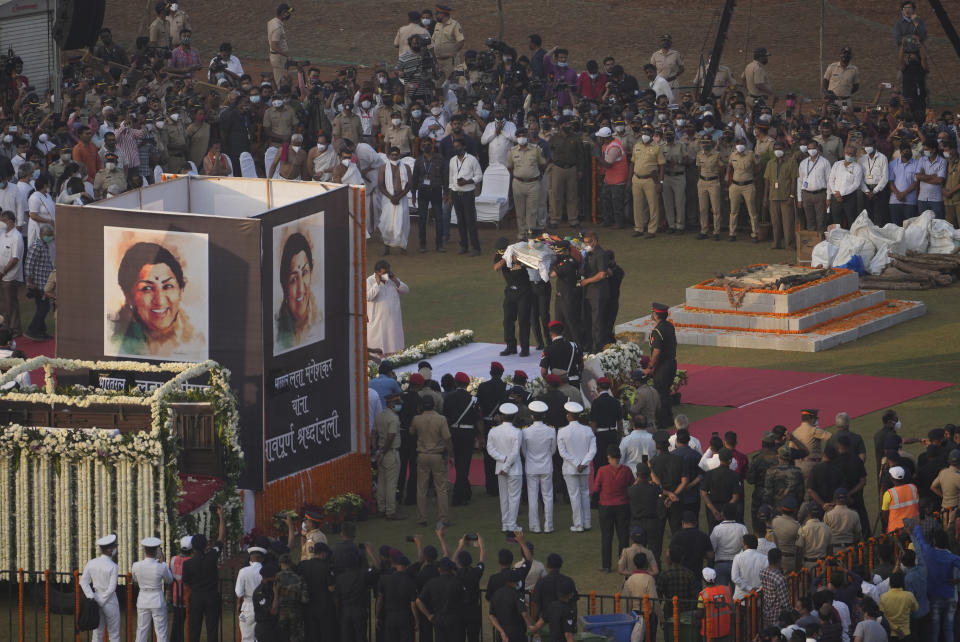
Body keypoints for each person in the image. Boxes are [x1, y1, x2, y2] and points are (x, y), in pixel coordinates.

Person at [108, 242, 205, 359]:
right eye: (147, 288)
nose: (160, 301)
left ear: (180, 290)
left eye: (168, 286)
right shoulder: (114, 341)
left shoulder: (197, 339)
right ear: (128, 296)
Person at [182, 511, 225, 642]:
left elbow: (186, 582)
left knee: (194, 629)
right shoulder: (212, 556)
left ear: (192, 547)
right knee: (212, 629)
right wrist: (221, 517)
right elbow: (221, 538)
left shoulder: (188, 563)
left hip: (196, 597)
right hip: (212, 596)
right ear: (207, 545)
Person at [410, 394, 452, 526]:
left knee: (421, 488)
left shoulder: (417, 419)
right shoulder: (441, 419)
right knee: (441, 488)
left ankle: (422, 518)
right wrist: (450, 453)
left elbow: (411, 432)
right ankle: (443, 518)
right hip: (437, 455)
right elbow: (447, 438)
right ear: (434, 405)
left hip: (422, 454)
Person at [275, 231, 321, 351]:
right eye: (294, 279)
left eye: (304, 273)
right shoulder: (278, 333)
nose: (301, 289)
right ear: (284, 285)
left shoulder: (321, 318)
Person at [592, 445, 634, 572]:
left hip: (606, 506)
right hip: (622, 505)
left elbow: (595, 488)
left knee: (606, 537)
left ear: (609, 457)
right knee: (623, 536)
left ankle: (606, 565)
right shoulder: (626, 470)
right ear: (619, 457)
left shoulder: (602, 470)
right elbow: (631, 484)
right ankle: (623, 563)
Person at [557, 401, 596, 532]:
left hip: (570, 468)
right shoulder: (587, 430)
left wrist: (576, 463)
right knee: (585, 494)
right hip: (583, 468)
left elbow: (562, 452)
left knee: (574, 495)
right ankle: (587, 523)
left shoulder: (562, 431)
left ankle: (578, 524)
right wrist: (583, 463)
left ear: (568, 415)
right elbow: (592, 450)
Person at [444, 371, 481, 505]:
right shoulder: (472, 399)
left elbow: (445, 417)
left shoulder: (448, 397)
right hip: (467, 434)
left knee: (459, 464)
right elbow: (478, 420)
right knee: (463, 465)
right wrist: (480, 437)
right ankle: (458, 497)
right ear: (467, 384)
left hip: (453, 432)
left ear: (455, 383)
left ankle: (466, 492)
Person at [487, 402, 524, 533]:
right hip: (513, 468)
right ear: (514, 417)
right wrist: (507, 464)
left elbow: (490, 449)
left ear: (501, 416)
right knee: (514, 497)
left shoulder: (493, 431)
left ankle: (505, 524)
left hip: (501, 467)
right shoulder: (517, 432)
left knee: (504, 497)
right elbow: (515, 452)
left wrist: (503, 461)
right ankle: (511, 524)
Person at [494, 237, 532, 357]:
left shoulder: (518, 252)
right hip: (510, 291)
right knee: (508, 320)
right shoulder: (500, 255)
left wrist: (519, 261)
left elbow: (532, 265)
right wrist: (505, 258)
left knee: (523, 320)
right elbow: (496, 268)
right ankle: (511, 346)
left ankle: (525, 348)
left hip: (524, 291)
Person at [523, 400, 556, 533]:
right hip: (546, 465)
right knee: (548, 496)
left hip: (531, 466)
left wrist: (531, 458)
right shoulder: (551, 431)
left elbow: (524, 451)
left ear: (532, 416)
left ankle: (535, 526)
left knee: (532, 496)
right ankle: (548, 525)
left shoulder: (526, 432)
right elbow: (553, 450)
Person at [507, 128, 547, 239]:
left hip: (533, 183)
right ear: (516, 138)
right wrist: (519, 175)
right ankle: (521, 233)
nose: (521, 137)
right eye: (519, 135)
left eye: (523, 135)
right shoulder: (512, 151)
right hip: (518, 183)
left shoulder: (536, 149)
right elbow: (510, 167)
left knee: (532, 211)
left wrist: (537, 174)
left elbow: (542, 163)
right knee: (520, 211)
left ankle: (531, 234)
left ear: (527, 136)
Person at [80, 534, 120, 642]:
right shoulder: (113, 566)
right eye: (113, 547)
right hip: (110, 601)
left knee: (97, 634)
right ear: (109, 549)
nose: (114, 549)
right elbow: (111, 589)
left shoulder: (91, 563)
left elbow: (83, 581)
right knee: (114, 634)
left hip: (96, 598)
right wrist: (102, 601)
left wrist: (91, 596)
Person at [644, 303, 677, 430]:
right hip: (672, 363)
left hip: (663, 366)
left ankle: (662, 421)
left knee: (660, 394)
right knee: (666, 392)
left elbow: (657, 351)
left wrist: (650, 367)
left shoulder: (657, 331)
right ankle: (669, 418)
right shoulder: (669, 326)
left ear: (656, 315)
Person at [366, 260, 409, 354]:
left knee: (395, 350)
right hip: (378, 323)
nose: (386, 275)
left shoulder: (391, 280)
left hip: (393, 322)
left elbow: (406, 290)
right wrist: (376, 284)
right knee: (378, 351)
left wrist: (396, 281)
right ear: (377, 272)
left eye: (388, 272)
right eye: (384, 273)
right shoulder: (369, 281)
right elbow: (367, 297)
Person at [448, 136, 482, 255]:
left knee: (470, 221)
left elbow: (479, 176)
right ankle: (464, 246)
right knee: (460, 221)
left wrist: (467, 181)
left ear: (464, 147)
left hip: (468, 193)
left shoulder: (472, 159)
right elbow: (451, 179)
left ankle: (476, 248)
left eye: (458, 147)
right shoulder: (452, 160)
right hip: (456, 193)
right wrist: (450, 195)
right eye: (454, 147)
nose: (456, 149)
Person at [412, 139, 447, 253]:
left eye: (428, 144)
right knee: (422, 219)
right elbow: (415, 178)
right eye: (424, 144)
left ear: (432, 145)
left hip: (436, 190)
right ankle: (422, 244)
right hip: (423, 191)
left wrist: (446, 192)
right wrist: (413, 194)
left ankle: (439, 244)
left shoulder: (440, 158)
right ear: (421, 147)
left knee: (438, 218)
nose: (426, 146)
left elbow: (445, 177)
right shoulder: (418, 161)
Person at [373, 393, 404, 520]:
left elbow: (373, 434)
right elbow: (391, 436)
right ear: (392, 403)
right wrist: (384, 450)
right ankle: (390, 511)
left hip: (381, 452)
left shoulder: (379, 416)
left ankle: (381, 509)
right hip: (390, 452)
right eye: (397, 403)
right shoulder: (393, 418)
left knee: (381, 483)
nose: (399, 405)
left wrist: (377, 450)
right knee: (391, 484)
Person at [578, 230, 609, 353]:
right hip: (590, 292)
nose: (586, 245)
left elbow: (602, 274)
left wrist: (587, 281)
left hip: (598, 293)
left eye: (587, 243)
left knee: (597, 322)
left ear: (594, 241)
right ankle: (590, 345)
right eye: (584, 243)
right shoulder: (589, 254)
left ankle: (597, 348)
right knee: (588, 320)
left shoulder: (600, 254)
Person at [763, 140, 798, 249]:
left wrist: (792, 196)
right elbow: (767, 181)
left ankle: (789, 244)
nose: (778, 151)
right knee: (775, 222)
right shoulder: (770, 163)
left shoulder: (791, 162)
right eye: (776, 149)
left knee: (788, 223)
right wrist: (765, 197)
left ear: (784, 150)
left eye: (780, 149)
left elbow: (794, 180)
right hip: (773, 196)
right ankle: (776, 243)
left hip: (786, 196)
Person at [702, 448, 742, 530]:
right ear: (730, 460)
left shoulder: (709, 474)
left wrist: (713, 510)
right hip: (729, 511)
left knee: (713, 535)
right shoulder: (734, 475)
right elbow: (735, 497)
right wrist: (724, 511)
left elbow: (704, 493)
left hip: (713, 509)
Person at [235, 546, 267, 642]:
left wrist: (238, 606)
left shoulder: (243, 571)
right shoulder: (265, 571)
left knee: (247, 637)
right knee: (261, 637)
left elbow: (239, 593)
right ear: (262, 559)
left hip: (248, 606)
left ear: (250, 558)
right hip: (263, 605)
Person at [879, 571, 918, 640]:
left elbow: (883, 617)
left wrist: (896, 629)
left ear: (890, 583)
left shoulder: (883, 597)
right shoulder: (909, 595)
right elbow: (915, 608)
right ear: (903, 583)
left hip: (890, 632)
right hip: (905, 632)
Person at [888, 142, 919, 225]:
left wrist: (903, 194)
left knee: (909, 228)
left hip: (910, 202)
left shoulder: (917, 164)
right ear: (901, 152)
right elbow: (891, 182)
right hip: (895, 201)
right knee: (896, 227)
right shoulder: (892, 164)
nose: (908, 153)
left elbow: (916, 182)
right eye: (906, 151)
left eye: (909, 152)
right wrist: (898, 194)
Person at [697, 567, 733, 640]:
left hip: (710, 632)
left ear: (704, 580)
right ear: (716, 577)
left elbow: (700, 614)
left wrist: (695, 615)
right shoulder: (727, 589)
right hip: (725, 630)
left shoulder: (703, 594)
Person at [882, 466, 919, 532]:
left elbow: (885, 514)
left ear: (891, 478)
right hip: (915, 526)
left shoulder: (888, 493)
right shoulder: (913, 487)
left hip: (896, 530)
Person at [252, 564, 281, 642]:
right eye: (275, 576)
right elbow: (273, 611)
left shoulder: (273, 587)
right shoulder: (260, 592)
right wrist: (276, 594)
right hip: (265, 628)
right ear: (269, 577)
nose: (277, 578)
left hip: (275, 626)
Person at [267, 4, 293, 85]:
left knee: (282, 77)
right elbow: (274, 46)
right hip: (279, 58)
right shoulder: (277, 27)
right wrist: (287, 55)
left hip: (277, 57)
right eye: (288, 12)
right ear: (283, 13)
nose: (289, 14)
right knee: (281, 82)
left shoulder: (272, 21)